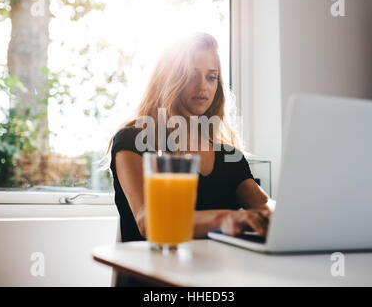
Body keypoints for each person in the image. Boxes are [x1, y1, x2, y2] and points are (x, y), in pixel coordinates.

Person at [106, 32, 272, 246]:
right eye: (191, 75)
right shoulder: (133, 141)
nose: (202, 86)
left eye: (211, 77)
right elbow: (148, 221)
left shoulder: (230, 157)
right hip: (151, 273)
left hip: (215, 276)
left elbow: (265, 207)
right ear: (169, 79)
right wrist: (227, 218)